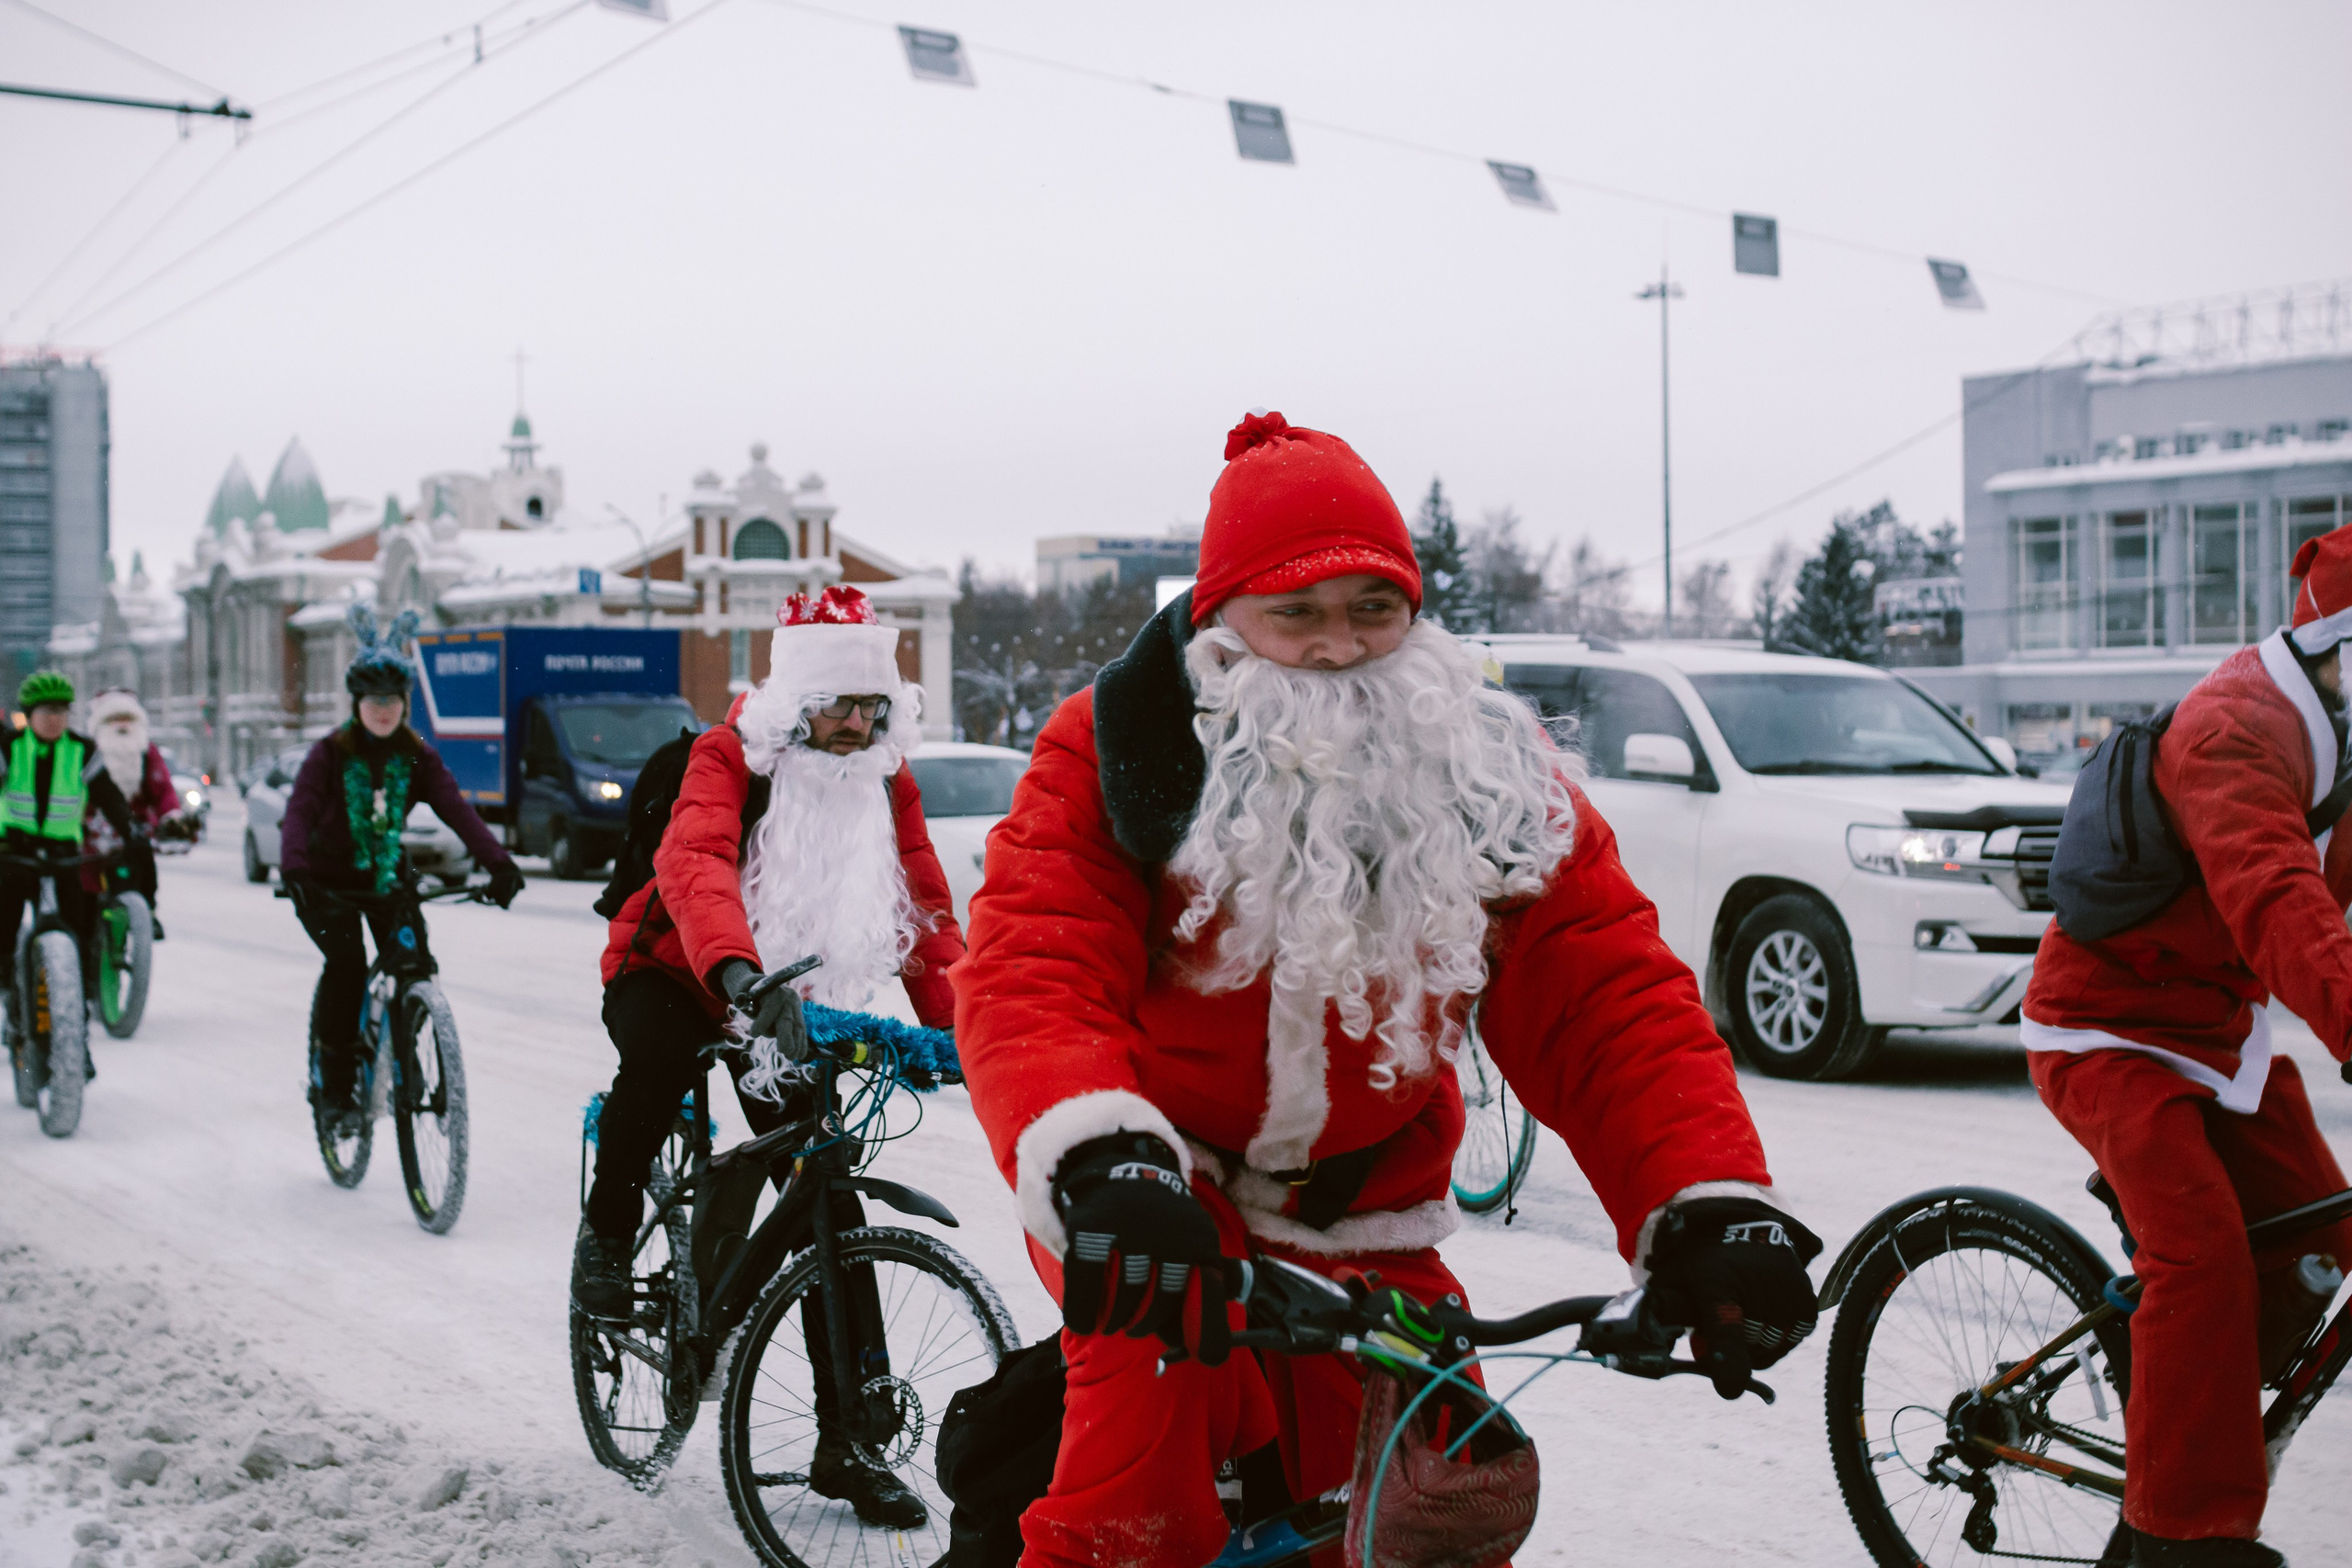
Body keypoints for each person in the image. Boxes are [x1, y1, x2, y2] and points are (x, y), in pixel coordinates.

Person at [955, 412, 1820, 1568]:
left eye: (1373, 608)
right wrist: (1102, 1159)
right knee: (1140, 1486)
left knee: (1437, 1500)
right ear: (1222, 623)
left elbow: (1606, 999)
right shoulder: (1120, 747)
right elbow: (1034, 964)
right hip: (1160, 1198)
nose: (1336, 648)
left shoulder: (1481, 766)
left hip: (1372, 1213)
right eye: (1295, 613)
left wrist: (1704, 1201)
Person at [580, 582, 965, 1528]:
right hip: (676, 967)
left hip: (793, 1003)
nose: (856, 723)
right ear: (796, 700)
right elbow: (695, 860)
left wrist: (970, 1032)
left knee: (824, 1188)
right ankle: (607, 1235)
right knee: (659, 1067)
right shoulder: (728, 755)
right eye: (839, 704)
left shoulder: (883, 775)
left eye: (873, 706)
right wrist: (741, 977)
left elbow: (926, 911)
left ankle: (848, 1445)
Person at [2022, 530, 2352, 1568]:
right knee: (2202, 1256)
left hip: (2220, 1034)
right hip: (2103, 1030)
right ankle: (2183, 1534)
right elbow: (2276, 899)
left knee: (2319, 1233)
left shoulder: (2340, 728)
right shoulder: (2236, 726)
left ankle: (2182, 1393)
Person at [278, 607, 524, 1132]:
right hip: (326, 884)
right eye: (374, 700)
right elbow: (298, 813)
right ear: (357, 704)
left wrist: (499, 863)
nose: (384, 710)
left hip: (387, 880)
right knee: (346, 966)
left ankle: (406, 1057)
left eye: (392, 700)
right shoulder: (329, 755)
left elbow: (458, 810)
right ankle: (336, 1090)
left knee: (415, 963)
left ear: (405, 704)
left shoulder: (417, 756)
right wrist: (295, 872)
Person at [2, 671, 141, 1024]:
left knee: (76, 929)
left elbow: (108, 795)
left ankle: (74, 1020)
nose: (55, 719)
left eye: (62, 711)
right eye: (46, 711)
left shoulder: (82, 750)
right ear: (29, 714)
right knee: (4, 925)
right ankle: (13, 1004)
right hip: (13, 850)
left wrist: (131, 832)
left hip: (63, 851)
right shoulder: (8, 747)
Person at [82, 687, 187, 939]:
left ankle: (146, 912)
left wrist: (171, 816)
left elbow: (163, 790)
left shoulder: (146, 753)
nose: (122, 726)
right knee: (85, 877)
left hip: (134, 826)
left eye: (127, 719)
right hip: (92, 829)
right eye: (113, 719)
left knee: (143, 861)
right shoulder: (88, 752)